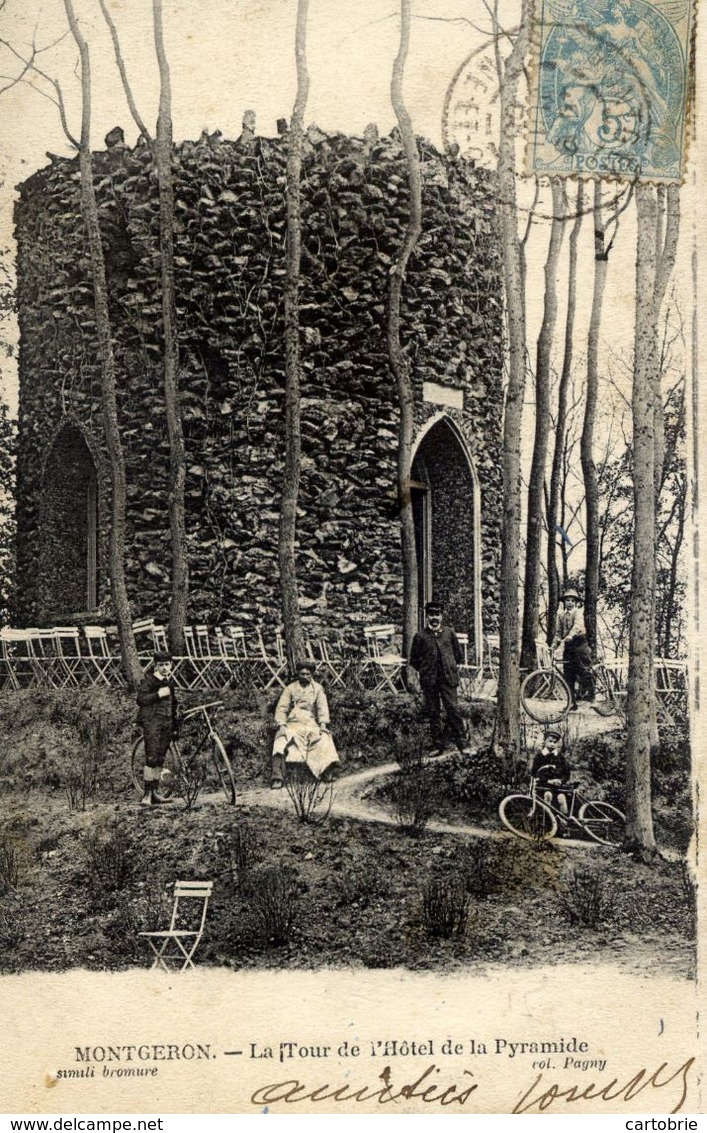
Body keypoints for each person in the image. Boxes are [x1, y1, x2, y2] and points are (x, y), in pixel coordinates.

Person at [409, 601, 470, 756]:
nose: (434, 618)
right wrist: (426, 670)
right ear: (427, 616)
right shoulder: (420, 636)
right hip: (430, 680)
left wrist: (451, 668)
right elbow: (414, 660)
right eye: (431, 614)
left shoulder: (449, 633)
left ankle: (463, 744)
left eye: (437, 614)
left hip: (448, 679)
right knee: (433, 712)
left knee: (453, 709)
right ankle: (437, 746)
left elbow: (458, 655)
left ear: (441, 616)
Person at [270, 660, 340, 789]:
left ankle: (325, 772)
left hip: (310, 723)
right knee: (280, 741)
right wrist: (281, 725)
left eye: (308, 674)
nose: (305, 677)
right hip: (293, 723)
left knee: (324, 738)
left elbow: (322, 708)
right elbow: (282, 708)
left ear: (312, 674)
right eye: (302, 674)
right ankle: (277, 777)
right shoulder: (290, 688)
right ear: (298, 674)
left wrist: (323, 725)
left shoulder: (318, 689)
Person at [136, 650, 179, 806]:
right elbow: (140, 699)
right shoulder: (149, 681)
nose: (164, 668)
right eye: (161, 665)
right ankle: (147, 795)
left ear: (171, 665)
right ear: (155, 666)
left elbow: (174, 706)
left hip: (167, 723)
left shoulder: (170, 682)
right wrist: (158, 694)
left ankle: (155, 793)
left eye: (167, 665)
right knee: (151, 757)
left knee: (160, 758)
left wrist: (175, 726)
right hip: (152, 723)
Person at [552, 587, 595, 710]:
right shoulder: (560, 615)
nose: (569, 603)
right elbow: (558, 632)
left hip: (580, 644)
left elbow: (577, 626)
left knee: (584, 669)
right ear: (564, 602)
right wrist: (554, 645)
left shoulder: (578, 613)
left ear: (576, 603)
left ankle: (592, 696)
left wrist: (570, 635)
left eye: (572, 601)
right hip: (569, 646)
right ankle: (572, 703)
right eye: (567, 600)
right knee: (568, 674)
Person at [530, 729, 571, 816]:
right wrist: (547, 781)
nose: (552, 744)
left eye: (555, 742)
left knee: (561, 798)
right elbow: (534, 772)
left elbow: (566, 773)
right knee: (548, 795)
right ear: (545, 742)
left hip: (557, 786)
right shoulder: (540, 756)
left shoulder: (560, 757)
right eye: (550, 741)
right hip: (543, 785)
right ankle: (547, 819)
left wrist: (560, 781)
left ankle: (564, 820)